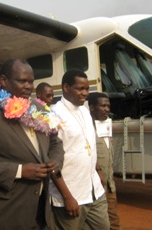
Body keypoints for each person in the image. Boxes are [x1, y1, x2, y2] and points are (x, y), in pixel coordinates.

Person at [0, 58, 64, 230]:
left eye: (31, 82)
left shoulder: (38, 108)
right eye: (22, 81)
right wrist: (20, 171)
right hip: (4, 213)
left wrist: (55, 161)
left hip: (39, 212)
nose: (29, 86)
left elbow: (55, 141)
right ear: (3, 80)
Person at [49, 69, 110, 230]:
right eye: (80, 89)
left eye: (87, 89)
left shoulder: (84, 110)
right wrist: (67, 197)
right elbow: (51, 162)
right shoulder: (55, 115)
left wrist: (98, 171)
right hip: (71, 194)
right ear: (66, 87)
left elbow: (88, 143)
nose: (85, 93)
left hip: (94, 189)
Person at [88, 92, 121, 230]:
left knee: (114, 219)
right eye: (103, 106)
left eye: (108, 105)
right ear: (92, 107)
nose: (107, 109)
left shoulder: (106, 125)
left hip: (109, 183)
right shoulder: (86, 128)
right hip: (94, 185)